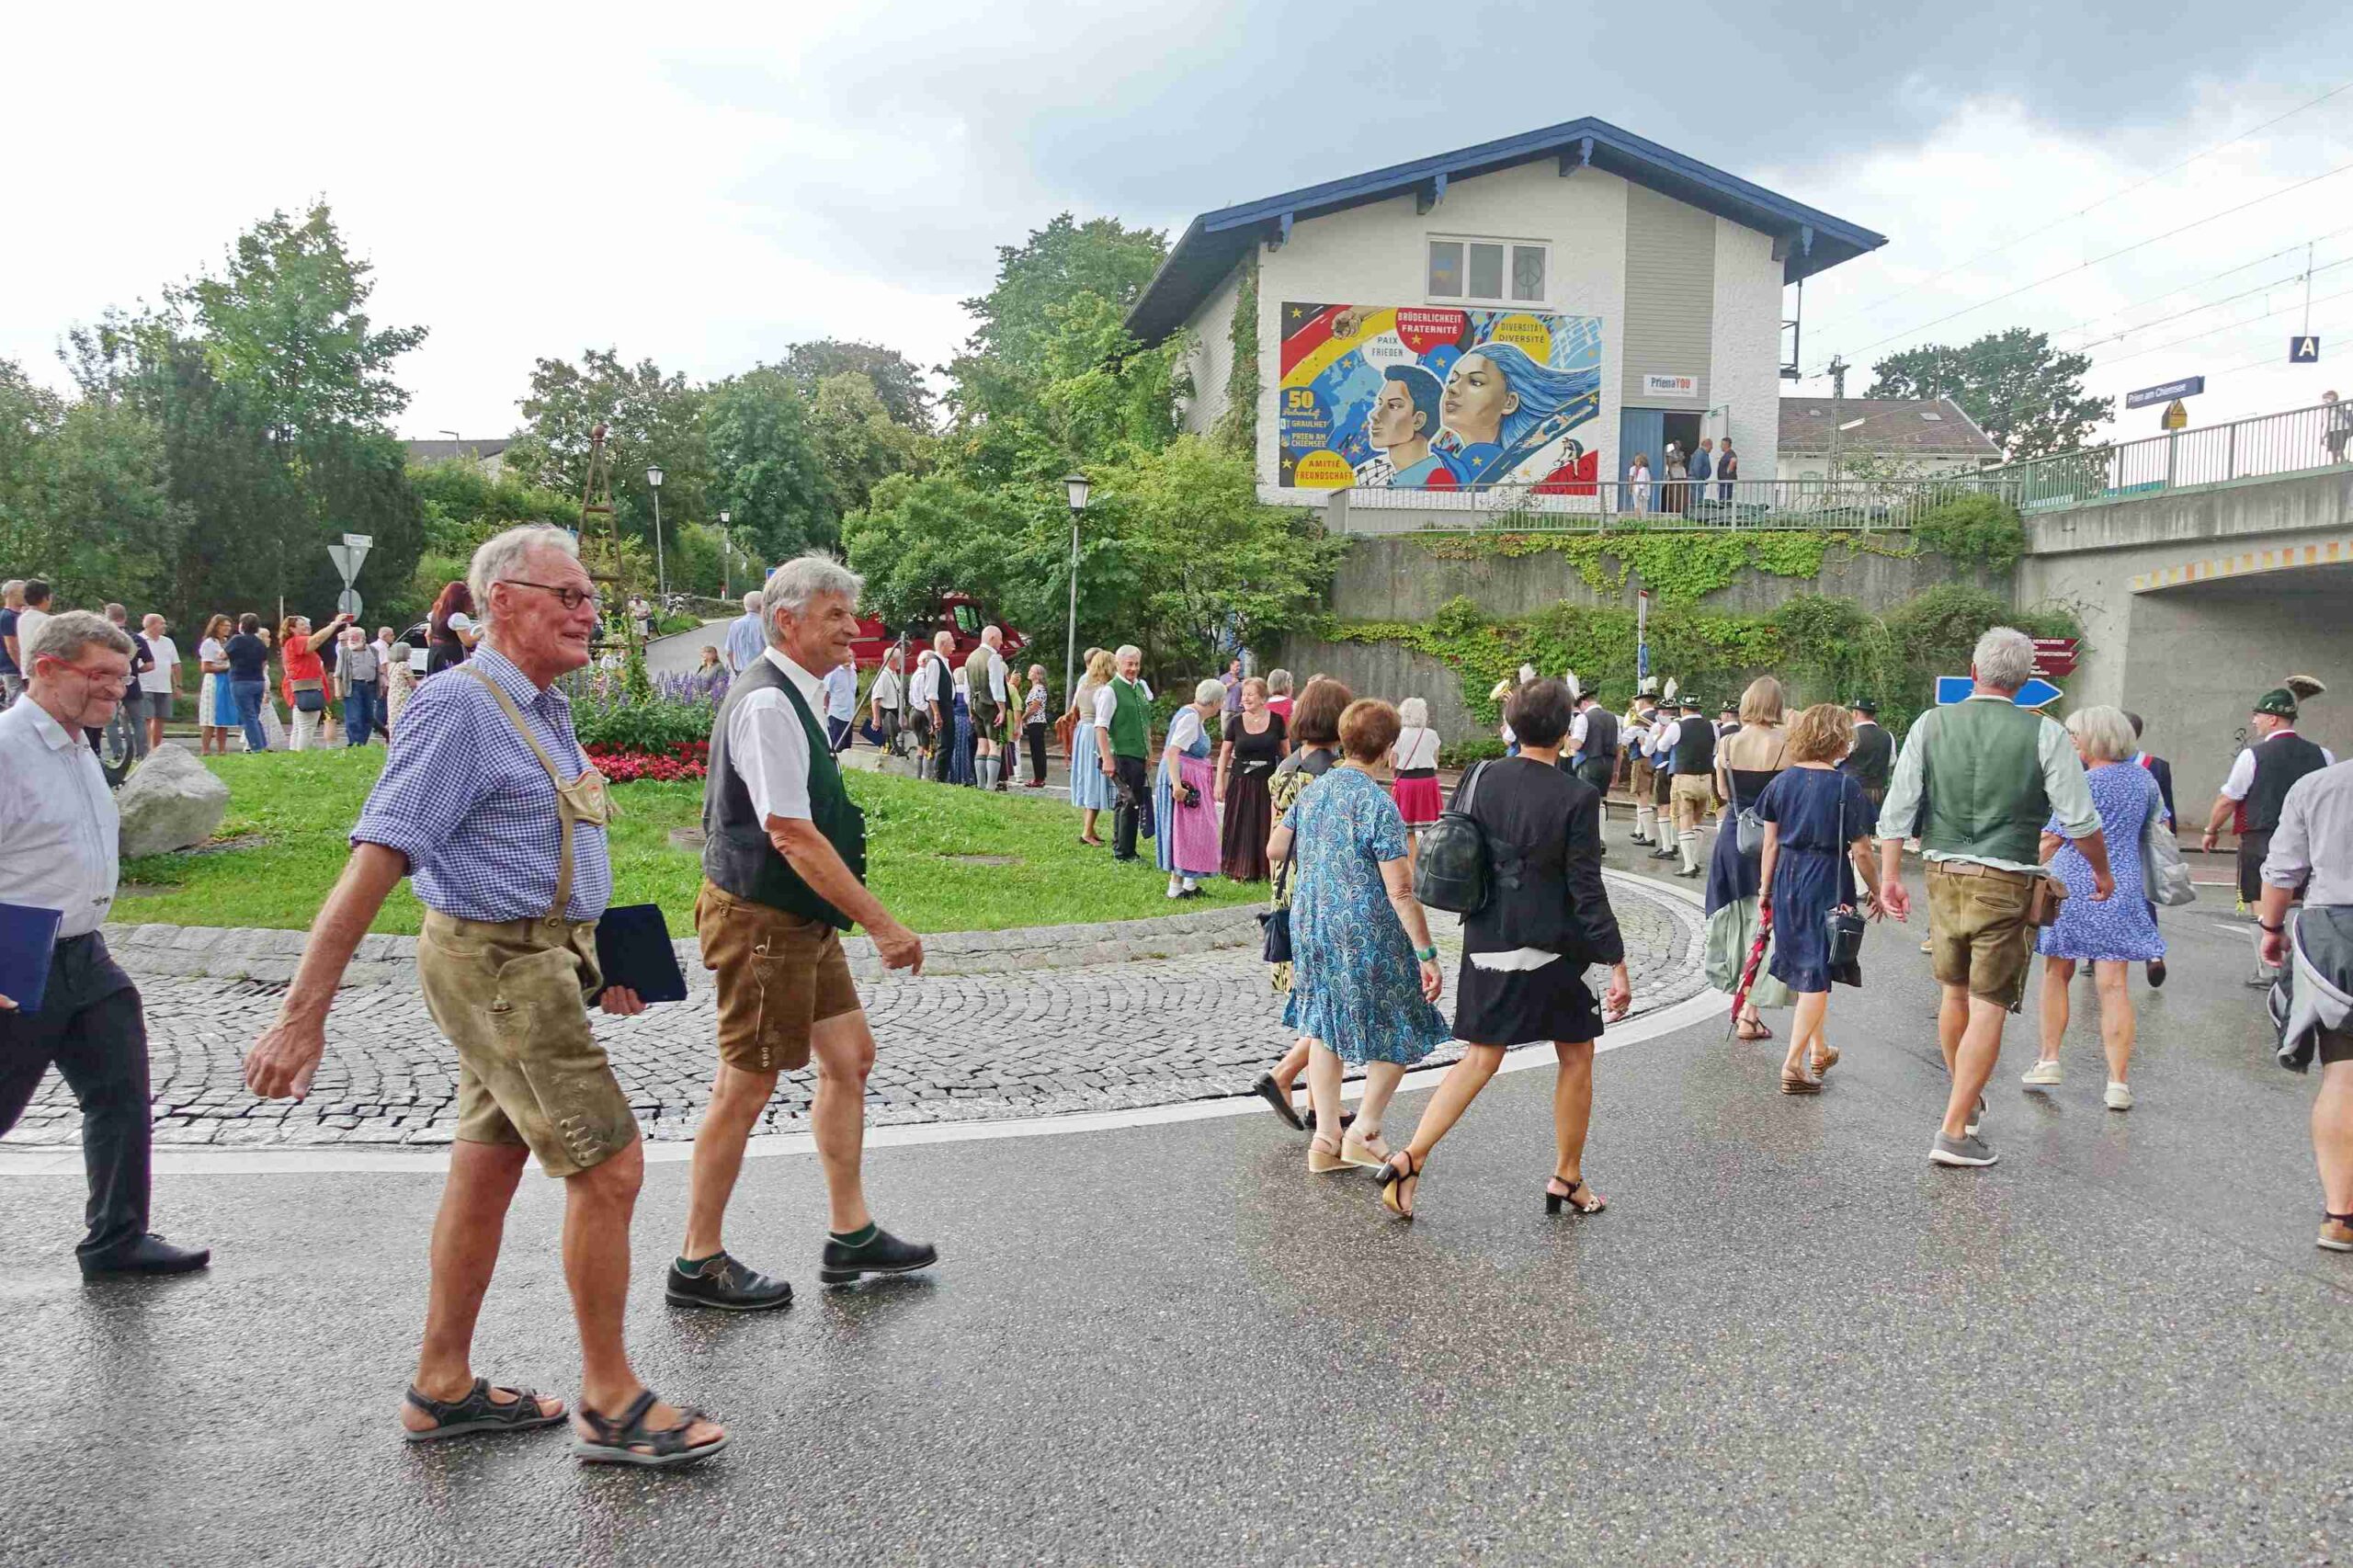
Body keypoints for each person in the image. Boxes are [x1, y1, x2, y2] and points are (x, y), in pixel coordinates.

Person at [243, 525, 726, 1467]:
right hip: (502, 969)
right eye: (570, 597)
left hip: (538, 962)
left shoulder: (543, 707)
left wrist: (600, 955)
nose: (589, 614)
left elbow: (538, 848)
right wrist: (302, 1015)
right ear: (502, 600)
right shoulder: (461, 704)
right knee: (609, 1167)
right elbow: (375, 860)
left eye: (592, 600)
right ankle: (610, 1401)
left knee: (487, 1163)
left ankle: (441, 1384)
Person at [678, 555, 937, 1311]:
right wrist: (881, 924)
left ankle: (850, 1233)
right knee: (745, 1084)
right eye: (836, 616)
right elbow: (789, 833)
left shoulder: (794, 692)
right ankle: (696, 1259)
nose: (853, 629)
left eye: (851, 614)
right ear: (787, 621)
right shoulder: (768, 703)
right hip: (763, 918)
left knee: (849, 1059)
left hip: (797, 916)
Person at [0, 611, 210, 1278]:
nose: (117, 690)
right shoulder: (7, 750)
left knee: (120, 1093)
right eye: (101, 675)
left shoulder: (77, 745)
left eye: (123, 677)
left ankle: (117, 1240)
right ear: (46, 668)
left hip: (84, 953)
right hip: (14, 951)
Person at [1373, 679, 1632, 1219]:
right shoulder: (1578, 797)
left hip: (1487, 935)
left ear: (1512, 726)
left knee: (1481, 1056)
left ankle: (1410, 1157)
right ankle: (1567, 1176)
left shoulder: (1479, 775)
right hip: (1554, 949)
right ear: (1565, 731)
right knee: (1576, 1054)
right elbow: (1586, 888)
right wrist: (1616, 959)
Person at [1877, 626, 2113, 1169]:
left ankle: (1967, 1102)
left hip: (1942, 871)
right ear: (2025, 680)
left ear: (1973, 672)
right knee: (1990, 1003)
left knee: (1953, 992)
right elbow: (2079, 820)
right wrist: (2102, 872)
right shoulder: (2045, 733)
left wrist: (1889, 875)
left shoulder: (1930, 724)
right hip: (2007, 878)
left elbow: (1898, 807)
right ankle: (1954, 1130)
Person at [1268, 698, 1449, 1175]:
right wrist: (1427, 953)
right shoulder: (1378, 803)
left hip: (1313, 924)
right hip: (1365, 929)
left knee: (1323, 1024)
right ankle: (1364, 1130)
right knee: (1402, 1019)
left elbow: (1276, 848)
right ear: (1388, 750)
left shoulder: (1314, 792)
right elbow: (1401, 890)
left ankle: (1325, 1139)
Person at [2020, 706, 2165, 1110]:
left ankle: (2049, 1060)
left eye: (2074, 735)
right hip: (2121, 885)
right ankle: (2118, 1083)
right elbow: (2157, 827)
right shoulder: (2144, 779)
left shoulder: (2083, 783)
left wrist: (2024, 871)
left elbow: (2053, 838)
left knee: (2057, 972)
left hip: (2071, 886)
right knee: (2114, 985)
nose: (2071, 741)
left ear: (2093, 738)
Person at [1755, 704, 1882, 1094]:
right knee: (1817, 971)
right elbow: (1862, 850)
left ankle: (1818, 1049)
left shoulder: (1781, 782)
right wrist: (1877, 890)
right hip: (1827, 877)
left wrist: (1765, 890)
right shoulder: (1846, 787)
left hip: (1788, 877)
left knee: (1807, 967)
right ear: (1839, 740)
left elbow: (1770, 844)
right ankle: (1793, 1064)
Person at [2255, 757, 2353, 1248]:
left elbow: (2283, 871)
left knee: (2344, 1073)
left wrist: (2271, 928)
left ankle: (2340, 1216)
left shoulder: (2319, 786)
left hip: (2335, 931)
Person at [1251, 677, 1353, 1131]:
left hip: (1285, 888)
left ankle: (1321, 1103)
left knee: (1315, 997)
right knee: (1332, 997)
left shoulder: (1287, 766)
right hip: (1319, 887)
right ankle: (1285, 1073)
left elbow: (1277, 838)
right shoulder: (1331, 773)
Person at [1703, 678, 1792, 1040]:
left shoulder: (1727, 743)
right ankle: (1750, 1012)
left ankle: (1739, 1001)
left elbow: (1724, 793)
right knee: (1765, 918)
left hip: (1734, 836)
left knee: (1735, 916)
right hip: (1772, 839)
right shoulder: (1787, 745)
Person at [2202, 680, 2333, 921]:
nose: (2254, 721)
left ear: (2272, 719)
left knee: (2263, 900)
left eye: (2257, 715)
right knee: (2299, 899)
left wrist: (2211, 830)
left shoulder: (2252, 755)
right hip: (2309, 839)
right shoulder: (2323, 755)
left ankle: (2268, 941)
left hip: (2263, 840)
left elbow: (2228, 800)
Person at [2123, 711, 2177, 987]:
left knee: (2101, 895)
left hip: (2109, 843)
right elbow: (2167, 811)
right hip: (2146, 842)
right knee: (2142, 898)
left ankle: (2095, 958)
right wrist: (2169, 846)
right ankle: (2153, 955)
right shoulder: (2156, 767)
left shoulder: (2093, 765)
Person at [1157, 678, 1224, 899]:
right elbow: (1172, 752)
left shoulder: (1194, 716)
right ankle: (1175, 888)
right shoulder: (1190, 718)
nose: (1221, 706)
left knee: (1197, 830)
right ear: (1214, 702)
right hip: (1183, 780)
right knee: (1185, 832)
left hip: (1191, 777)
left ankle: (1190, 883)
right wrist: (1177, 785)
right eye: (1221, 701)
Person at [1218, 676, 1287, 881]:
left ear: (1263, 697)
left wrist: (1287, 781)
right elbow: (1224, 754)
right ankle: (1237, 868)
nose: (1245, 698)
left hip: (1267, 780)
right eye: (1244, 695)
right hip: (1241, 781)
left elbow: (1286, 754)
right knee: (1240, 824)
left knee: (1264, 824)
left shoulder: (1277, 721)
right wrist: (1219, 781)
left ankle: (1264, 869)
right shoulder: (1235, 722)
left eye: (1250, 694)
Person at [1097, 644, 1154, 862]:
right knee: (1129, 800)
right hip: (1121, 752)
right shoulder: (1111, 690)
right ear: (1118, 664)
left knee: (1132, 800)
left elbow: (1145, 723)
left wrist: (1148, 752)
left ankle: (1124, 847)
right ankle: (1124, 851)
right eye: (1129, 664)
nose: (1133, 668)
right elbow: (1101, 727)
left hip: (1138, 752)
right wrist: (1107, 759)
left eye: (1136, 664)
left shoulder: (1139, 688)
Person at [1358, 363, 1448, 487]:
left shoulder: (1434, 482)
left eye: (1393, 406)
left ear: (1418, 421)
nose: (1374, 415)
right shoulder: (1398, 479)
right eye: (1380, 404)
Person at [279, 611, 351, 752]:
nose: (307, 626)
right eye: (302, 624)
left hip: (301, 689)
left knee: (299, 726)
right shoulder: (297, 641)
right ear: (292, 629)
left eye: (307, 624)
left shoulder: (291, 644)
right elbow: (316, 640)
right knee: (307, 726)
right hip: (307, 690)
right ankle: (302, 756)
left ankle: (294, 754)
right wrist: (334, 624)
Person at [1666, 695, 1718, 876]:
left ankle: (1689, 865)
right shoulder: (1711, 726)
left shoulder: (1676, 726)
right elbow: (1714, 749)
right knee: (1698, 818)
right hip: (1705, 777)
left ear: (1683, 709)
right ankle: (1695, 860)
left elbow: (1663, 746)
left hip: (1684, 777)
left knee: (1685, 817)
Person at [1068, 648, 1116, 845]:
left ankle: (1090, 827)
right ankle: (1087, 831)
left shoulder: (1084, 683)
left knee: (1086, 778)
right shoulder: (1104, 688)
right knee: (1094, 780)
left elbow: (1074, 709)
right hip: (1095, 733)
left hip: (1082, 731)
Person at [1386, 696, 1443, 857]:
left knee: (1408, 830)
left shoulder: (1399, 735)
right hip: (1428, 781)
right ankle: (1430, 861)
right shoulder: (1432, 734)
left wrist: (1395, 773)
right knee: (1430, 829)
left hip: (1406, 783)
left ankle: (1412, 865)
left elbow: (1392, 761)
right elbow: (1436, 759)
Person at [102, 604, 154, 765]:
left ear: (107, 617)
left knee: (111, 721)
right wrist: (137, 671)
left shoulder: (103, 638)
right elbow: (150, 664)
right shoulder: (136, 639)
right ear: (124, 617)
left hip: (110, 682)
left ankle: (117, 753)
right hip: (131, 682)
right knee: (138, 721)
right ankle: (141, 754)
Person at [1566, 689, 1619, 846]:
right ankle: (1601, 838)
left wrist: (1567, 738)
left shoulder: (1583, 718)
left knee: (1587, 801)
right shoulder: (1613, 718)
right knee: (1601, 800)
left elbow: (1577, 744)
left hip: (1589, 763)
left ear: (1584, 703)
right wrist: (1616, 769)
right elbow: (1619, 747)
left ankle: (1588, 839)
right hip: (1608, 763)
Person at [222, 613, 271, 754]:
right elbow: (264, 662)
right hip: (258, 681)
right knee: (254, 715)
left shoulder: (237, 640)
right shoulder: (260, 643)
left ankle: (257, 747)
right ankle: (262, 744)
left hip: (240, 680)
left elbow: (222, 655)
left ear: (242, 625)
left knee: (247, 717)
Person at [906, 631, 949, 781]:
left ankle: (919, 776)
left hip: (915, 711)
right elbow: (922, 699)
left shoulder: (916, 675)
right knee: (928, 746)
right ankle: (926, 776)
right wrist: (930, 717)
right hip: (921, 713)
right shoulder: (922, 676)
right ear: (925, 661)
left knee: (921, 744)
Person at [138, 613, 181, 754]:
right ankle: (145, 750)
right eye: (161, 623)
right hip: (144, 686)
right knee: (147, 718)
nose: (164, 626)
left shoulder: (168, 642)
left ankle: (156, 749)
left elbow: (176, 664)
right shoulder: (138, 640)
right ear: (151, 625)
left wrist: (178, 685)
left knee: (161, 718)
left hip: (164, 686)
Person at [335, 624, 382, 747]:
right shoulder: (344, 651)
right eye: (351, 637)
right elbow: (338, 674)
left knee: (368, 717)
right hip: (353, 686)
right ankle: (354, 743)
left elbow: (379, 670)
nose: (353, 640)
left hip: (370, 686)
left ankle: (362, 743)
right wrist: (338, 690)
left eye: (356, 637)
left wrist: (381, 685)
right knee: (353, 717)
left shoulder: (373, 650)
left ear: (364, 638)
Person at [1840, 698, 1892, 808]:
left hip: (1853, 790)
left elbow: (1836, 759)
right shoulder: (1887, 735)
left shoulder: (1851, 734)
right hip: (1878, 792)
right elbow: (1891, 761)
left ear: (1855, 714)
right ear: (1874, 715)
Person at [964, 640, 1001, 789]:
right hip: (990, 705)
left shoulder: (970, 657)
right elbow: (997, 687)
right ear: (992, 638)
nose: (1001, 642)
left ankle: (980, 784)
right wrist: (1002, 709)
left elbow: (967, 688)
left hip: (975, 704)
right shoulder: (993, 657)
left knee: (982, 745)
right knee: (995, 746)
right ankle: (991, 786)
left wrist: (970, 708)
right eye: (999, 639)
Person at [196, 613, 234, 754]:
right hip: (214, 681)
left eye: (229, 626)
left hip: (226, 681)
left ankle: (222, 749)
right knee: (210, 716)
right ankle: (205, 749)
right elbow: (206, 667)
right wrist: (226, 667)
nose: (227, 628)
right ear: (216, 626)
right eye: (224, 625)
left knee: (223, 715)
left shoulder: (226, 642)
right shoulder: (209, 643)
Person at [1627, 699, 1662, 847]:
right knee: (1643, 796)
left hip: (1641, 758)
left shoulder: (1641, 719)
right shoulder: (1659, 717)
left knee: (1642, 796)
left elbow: (1627, 737)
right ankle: (1640, 829)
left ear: (1642, 702)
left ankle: (1649, 836)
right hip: (1655, 759)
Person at [426, 581, 478, 675]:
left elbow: (428, 635)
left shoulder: (436, 613)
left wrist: (434, 650)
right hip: (451, 654)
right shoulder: (457, 617)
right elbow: (468, 642)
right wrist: (484, 631)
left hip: (434, 653)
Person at [947, 654, 977, 787]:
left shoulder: (952, 691)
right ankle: (966, 775)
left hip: (955, 720)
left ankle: (953, 775)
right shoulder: (968, 691)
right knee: (966, 749)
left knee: (954, 748)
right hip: (966, 721)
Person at [383, 628, 419, 733]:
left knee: (394, 717)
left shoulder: (392, 665)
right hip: (403, 696)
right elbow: (413, 684)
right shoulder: (404, 665)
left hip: (393, 695)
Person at [15, 579, 54, 671]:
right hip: (44, 671)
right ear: (46, 598)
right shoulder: (47, 621)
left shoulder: (22, 618)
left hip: (27, 670)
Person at [723, 590, 765, 675]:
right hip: (761, 671)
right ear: (760, 606)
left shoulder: (735, 625)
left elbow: (729, 652)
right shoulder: (765, 624)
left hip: (741, 671)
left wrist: (735, 670)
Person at [1021, 665, 1050, 788]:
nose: (1029, 672)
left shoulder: (1038, 689)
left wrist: (1023, 718)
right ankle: (1039, 776)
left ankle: (1039, 778)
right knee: (1036, 750)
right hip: (1034, 722)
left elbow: (1034, 707)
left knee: (1037, 750)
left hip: (1036, 722)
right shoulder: (1035, 688)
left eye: (1032, 671)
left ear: (1038, 675)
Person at [822, 656, 857, 755]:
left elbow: (853, 693)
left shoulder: (853, 673)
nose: (848, 659)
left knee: (847, 748)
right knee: (837, 746)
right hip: (836, 713)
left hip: (849, 715)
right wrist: (825, 708)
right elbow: (825, 692)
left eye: (850, 657)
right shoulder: (834, 672)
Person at [0, 578, 23, 707]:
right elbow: (12, 647)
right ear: (11, 595)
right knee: (16, 703)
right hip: (12, 669)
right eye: (22, 592)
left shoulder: (19, 615)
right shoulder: (7, 616)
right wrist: (22, 668)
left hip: (18, 668)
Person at [2325, 390, 2350, 465]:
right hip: (2332, 429)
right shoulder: (2328, 408)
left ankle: (2343, 461)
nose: (2328, 397)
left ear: (2334, 396)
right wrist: (2324, 435)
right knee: (2332, 448)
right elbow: (2328, 421)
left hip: (2340, 428)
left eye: (2330, 395)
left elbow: (2345, 413)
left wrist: (2333, 405)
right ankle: (2335, 462)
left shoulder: (2339, 405)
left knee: (2338, 447)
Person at [1688, 437, 1714, 512]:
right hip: (1697, 480)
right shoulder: (1700, 453)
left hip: (1698, 480)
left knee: (1698, 499)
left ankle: (1697, 513)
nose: (1712, 448)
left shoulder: (1702, 453)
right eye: (1711, 446)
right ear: (1708, 445)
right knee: (1698, 500)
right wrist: (1701, 478)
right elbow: (1697, 467)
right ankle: (1697, 514)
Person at [1626, 452, 1652, 516]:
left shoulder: (1642, 470)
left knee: (1642, 508)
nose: (1635, 462)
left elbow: (1641, 484)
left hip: (1641, 493)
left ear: (1640, 462)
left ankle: (1641, 519)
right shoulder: (1644, 470)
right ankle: (1641, 518)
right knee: (1640, 507)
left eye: (1637, 461)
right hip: (1640, 492)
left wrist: (1639, 493)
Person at [1717, 437, 1739, 503]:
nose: (1720, 446)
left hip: (1727, 483)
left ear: (1726, 445)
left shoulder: (1730, 453)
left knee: (1725, 501)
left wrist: (1729, 470)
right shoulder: (1727, 454)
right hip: (1723, 482)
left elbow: (1734, 460)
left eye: (1722, 444)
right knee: (1722, 500)